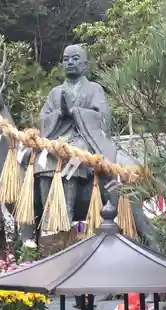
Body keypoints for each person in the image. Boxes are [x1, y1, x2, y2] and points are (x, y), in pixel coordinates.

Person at [35, 44, 117, 228]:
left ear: (85, 64)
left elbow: (102, 117)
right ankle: (48, 215)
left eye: (75, 58)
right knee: (44, 159)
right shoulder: (55, 92)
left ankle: (67, 212)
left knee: (74, 155)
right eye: (66, 59)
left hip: (82, 139)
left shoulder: (94, 89)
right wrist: (59, 113)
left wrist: (74, 111)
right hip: (56, 140)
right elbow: (42, 121)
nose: (70, 62)